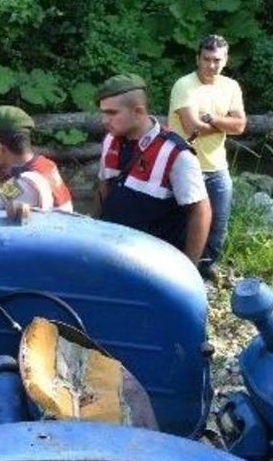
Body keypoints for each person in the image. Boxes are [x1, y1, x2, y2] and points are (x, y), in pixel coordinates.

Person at [96, 74, 211, 264]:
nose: (104, 120)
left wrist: (190, 267)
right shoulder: (110, 141)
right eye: (103, 112)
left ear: (138, 111)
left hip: (154, 264)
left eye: (112, 113)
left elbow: (200, 211)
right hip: (112, 254)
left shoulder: (176, 153)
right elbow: (104, 188)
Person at [168, 34, 246, 280]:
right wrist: (225, 124)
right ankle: (178, 273)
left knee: (217, 226)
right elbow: (192, 127)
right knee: (181, 224)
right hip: (184, 165)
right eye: (206, 59)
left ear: (226, 60)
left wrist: (211, 119)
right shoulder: (184, 85)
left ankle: (205, 272)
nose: (211, 65)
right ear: (197, 58)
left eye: (217, 60)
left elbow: (241, 125)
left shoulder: (230, 87)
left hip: (217, 166)